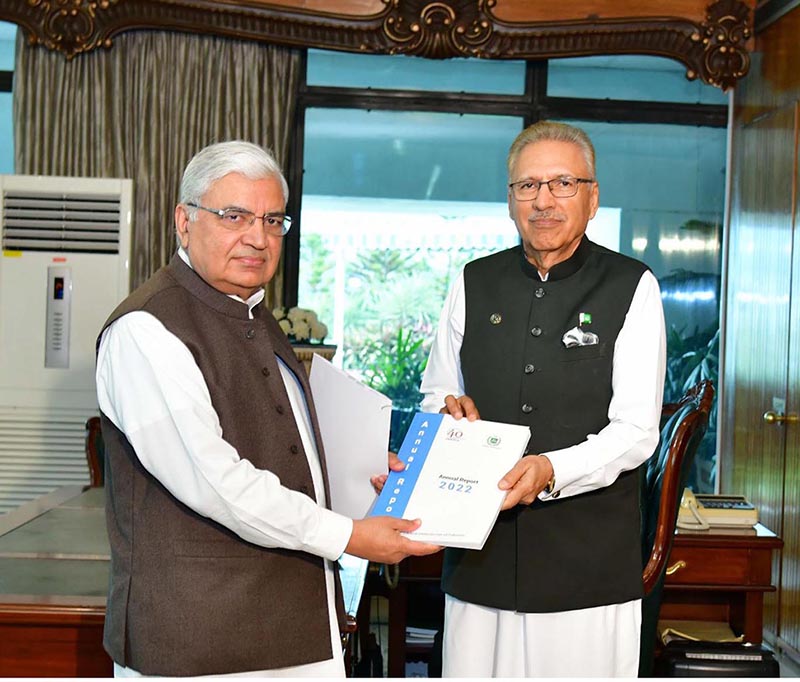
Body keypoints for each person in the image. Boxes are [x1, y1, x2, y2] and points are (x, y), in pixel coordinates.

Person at [95, 140, 439, 678]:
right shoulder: (146, 330)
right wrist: (349, 536)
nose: (257, 237)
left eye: (273, 219)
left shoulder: (253, 313)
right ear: (184, 221)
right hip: (201, 640)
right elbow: (216, 482)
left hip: (291, 625)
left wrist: (356, 471)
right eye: (234, 216)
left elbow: (282, 441)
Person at [419, 121, 666, 677]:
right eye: (527, 186)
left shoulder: (632, 286)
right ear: (510, 201)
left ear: (593, 197)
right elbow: (439, 390)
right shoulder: (472, 281)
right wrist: (449, 413)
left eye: (563, 183)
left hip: (587, 568)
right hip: (478, 558)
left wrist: (550, 470)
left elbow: (635, 432)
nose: (544, 201)